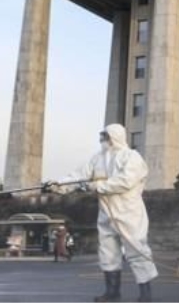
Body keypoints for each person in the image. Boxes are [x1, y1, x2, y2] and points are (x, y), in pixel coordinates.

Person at [43, 123, 158, 302]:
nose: (101, 140)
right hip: (106, 213)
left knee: (137, 250)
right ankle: (112, 292)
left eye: (105, 136)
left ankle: (146, 294)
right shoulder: (97, 159)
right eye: (102, 136)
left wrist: (97, 186)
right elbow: (78, 176)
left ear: (115, 136)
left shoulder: (132, 157)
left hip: (129, 212)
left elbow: (125, 181)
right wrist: (57, 185)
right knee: (108, 251)